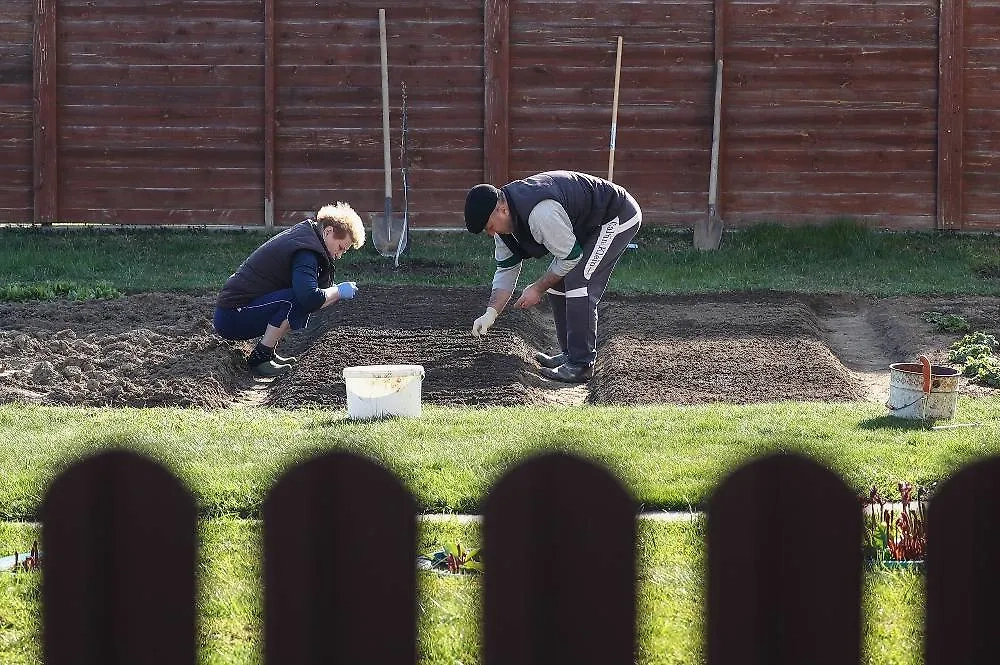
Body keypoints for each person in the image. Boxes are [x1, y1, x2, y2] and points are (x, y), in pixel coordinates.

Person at [463, 170, 642, 383]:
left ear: (502, 209)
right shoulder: (505, 228)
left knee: (579, 283)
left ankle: (581, 364)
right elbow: (505, 270)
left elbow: (570, 257)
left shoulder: (541, 213)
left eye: (490, 226)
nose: (491, 233)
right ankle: (569, 355)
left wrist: (537, 288)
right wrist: (490, 313)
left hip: (616, 215)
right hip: (586, 226)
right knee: (558, 284)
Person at [213, 202, 365, 377]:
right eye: (340, 248)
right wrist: (338, 291)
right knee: (295, 298)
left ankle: (268, 353)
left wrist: (333, 293)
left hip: (237, 311)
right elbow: (309, 297)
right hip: (232, 317)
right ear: (328, 231)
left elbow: (315, 299)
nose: (338, 255)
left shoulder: (307, 238)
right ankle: (260, 358)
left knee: (295, 298)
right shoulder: (307, 252)